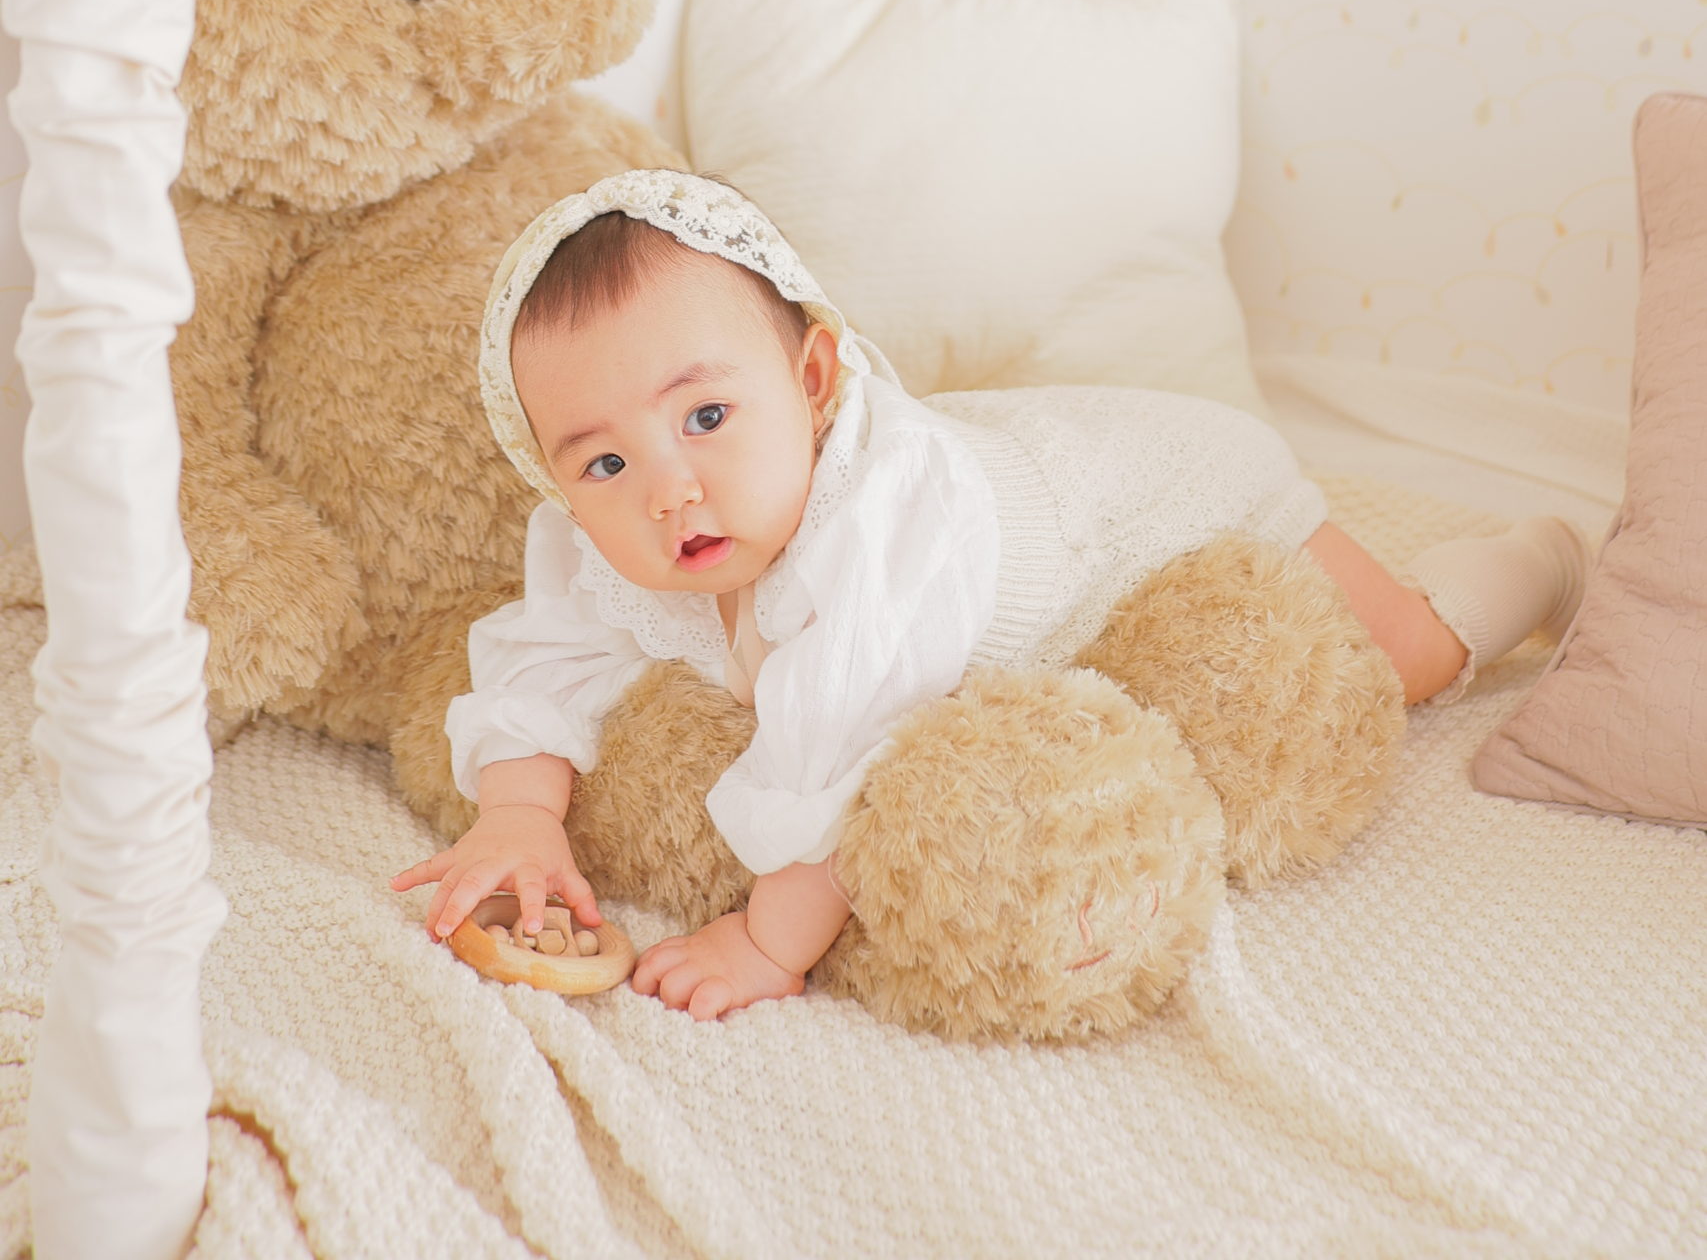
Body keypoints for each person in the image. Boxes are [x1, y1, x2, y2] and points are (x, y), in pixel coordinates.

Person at [393, 171, 1590, 1021]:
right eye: (605, 461)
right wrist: (520, 814)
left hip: (1147, 497)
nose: (670, 490)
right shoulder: (610, 537)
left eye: (706, 415)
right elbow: (546, 655)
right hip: (1023, 466)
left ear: (813, 379)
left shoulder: (875, 532)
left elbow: (849, 755)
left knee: (1403, 661)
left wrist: (765, 942)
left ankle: (1539, 560)